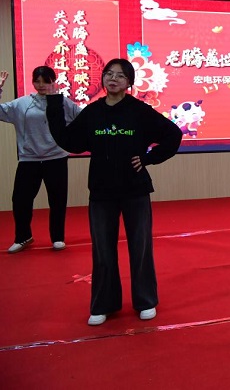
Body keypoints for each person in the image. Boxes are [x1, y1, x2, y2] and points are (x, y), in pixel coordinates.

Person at [46, 59, 182, 325]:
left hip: (135, 189)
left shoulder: (140, 111)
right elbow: (69, 140)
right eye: (108, 74)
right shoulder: (93, 112)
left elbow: (173, 134)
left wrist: (149, 158)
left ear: (129, 82)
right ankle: (104, 304)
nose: (113, 79)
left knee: (140, 247)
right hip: (101, 191)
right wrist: (53, 104)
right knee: (103, 250)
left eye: (120, 76)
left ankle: (146, 300)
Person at [0, 66, 81, 253]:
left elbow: (82, 118)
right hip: (29, 159)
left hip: (56, 158)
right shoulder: (22, 104)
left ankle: (58, 238)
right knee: (20, 200)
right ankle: (23, 237)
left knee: (57, 200)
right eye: (37, 81)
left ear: (54, 82)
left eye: (46, 81)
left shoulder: (62, 102)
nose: (41, 85)